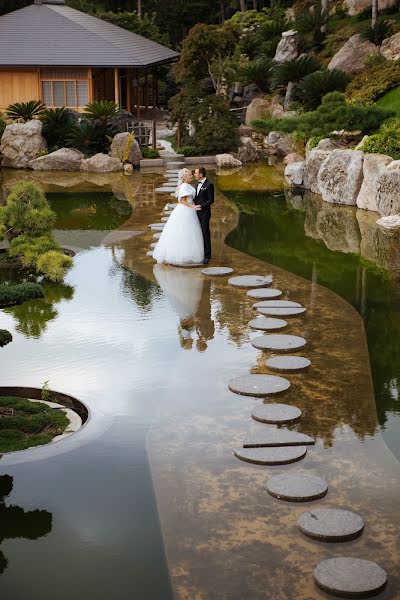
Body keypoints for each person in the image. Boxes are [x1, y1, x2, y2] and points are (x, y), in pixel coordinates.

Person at [153, 168, 204, 265]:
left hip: (189, 210)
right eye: (190, 175)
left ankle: (188, 254)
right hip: (185, 211)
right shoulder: (184, 186)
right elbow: (182, 201)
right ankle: (182, 255)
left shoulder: (187, 185)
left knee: (189, 233)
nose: (192, 176)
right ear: (185, 178)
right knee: (184, 232)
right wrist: (193, 206)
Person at [194, 167, 214, 265]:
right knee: (198, 232)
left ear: (201, 174)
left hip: (205, 213)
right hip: (196, 212)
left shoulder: (209, 184)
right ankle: (200, 252)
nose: (195, 175)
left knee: (205, 233)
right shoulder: (197, 184)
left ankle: (207, 256)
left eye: (196, 173)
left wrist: (201, 206)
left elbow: (211, 200)